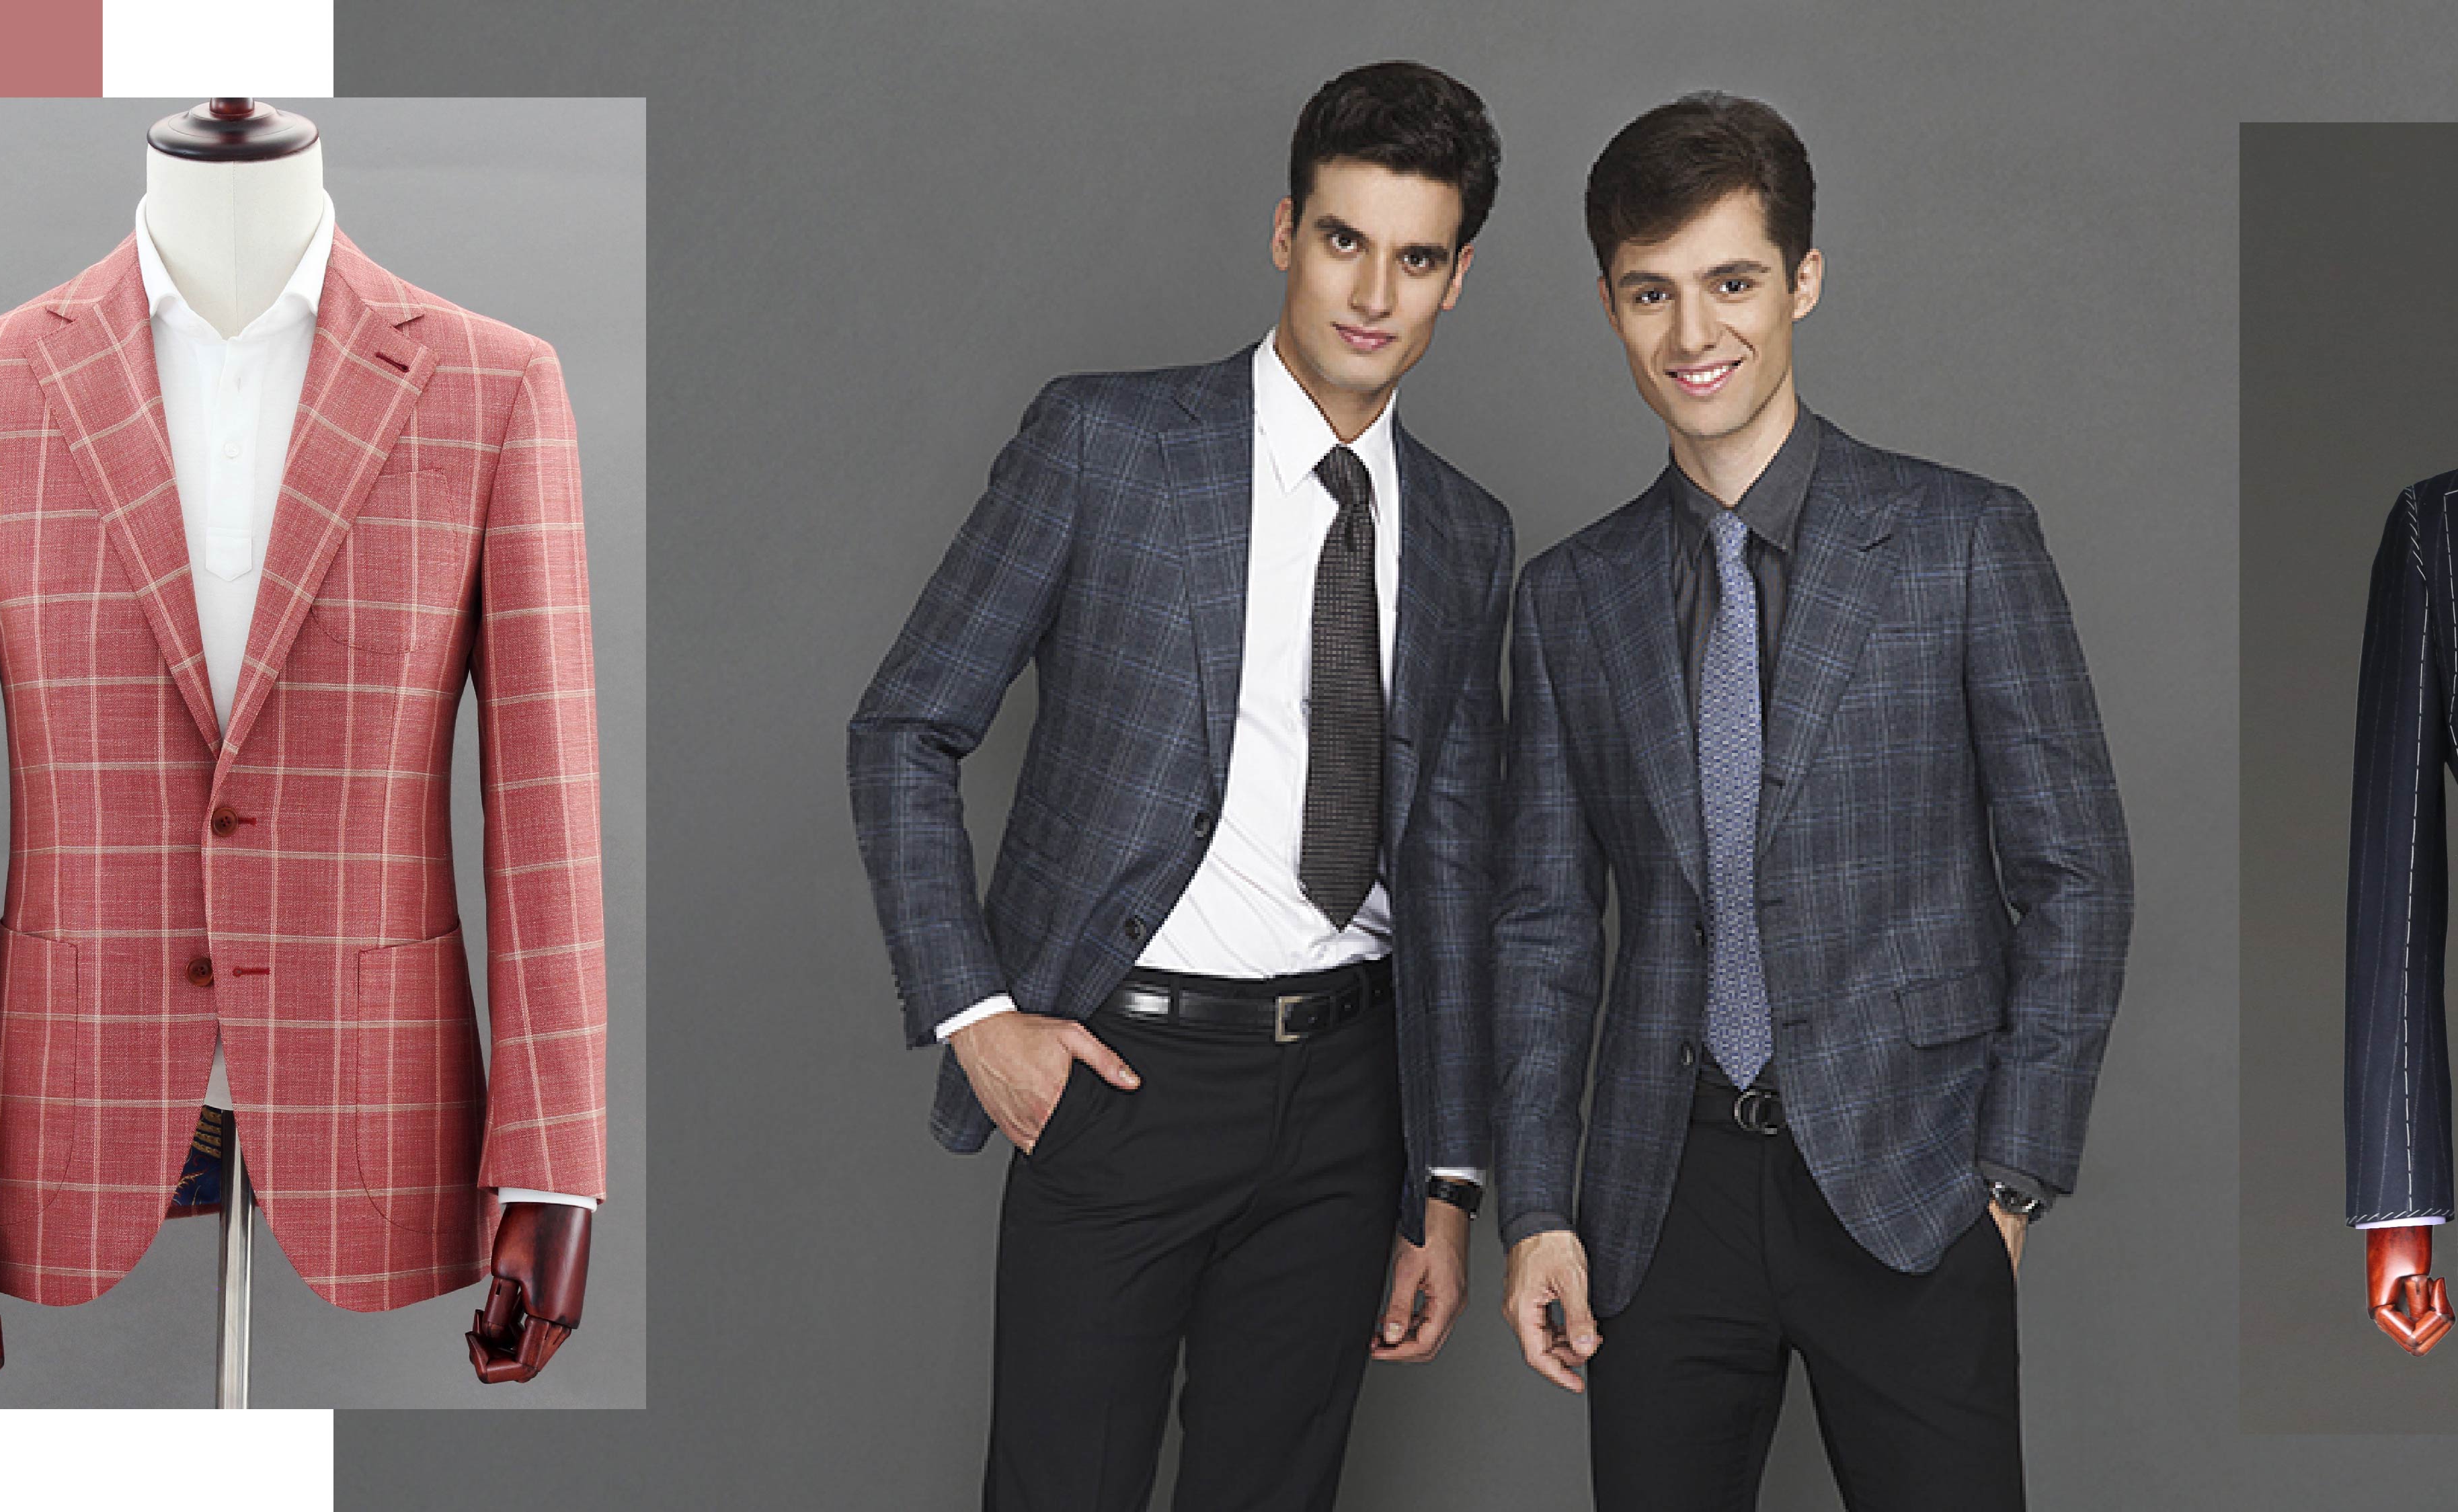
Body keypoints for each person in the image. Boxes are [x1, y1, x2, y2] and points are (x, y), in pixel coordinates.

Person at [846, 60, 1512, 1512]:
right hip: (1126, 1077)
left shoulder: (1468, 534)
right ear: (1285, 232)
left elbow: (1455, 873)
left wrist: (1448, 1180)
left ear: (1459, 278)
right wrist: (977, 1017)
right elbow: (905, 727)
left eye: (1415, 259)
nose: (1372, 294)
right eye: (1343, 240)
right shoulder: (1107, 443)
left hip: (1353, 1101)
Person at [1489, 91, 2135, 1511]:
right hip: (1660, 1197)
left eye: (1732, 282)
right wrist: (1536, 1207)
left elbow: (2076, 873)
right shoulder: (1569, 599)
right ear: (1609, 305)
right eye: (1651, 292)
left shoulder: (1963, 540)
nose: (1693, 333)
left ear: (1804, 282)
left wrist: (2012, 1178)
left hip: (1912, 1182)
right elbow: (1541, 928)